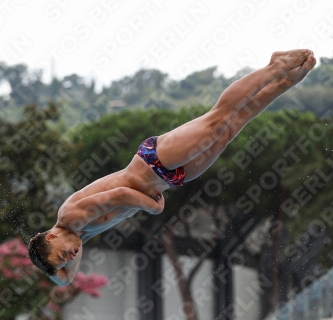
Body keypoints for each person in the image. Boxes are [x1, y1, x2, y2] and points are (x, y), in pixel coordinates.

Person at [28, 49, 316, 286]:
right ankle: (285, 83)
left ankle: (275, 67)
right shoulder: (80, 235)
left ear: (51, 236)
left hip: (154, 162)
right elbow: (64, 280)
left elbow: (116, 196)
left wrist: (151, 207)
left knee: (218, 120)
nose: (69, 257)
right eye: (66, 260)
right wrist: (59, 260)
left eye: (62, 254)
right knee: (232, 128)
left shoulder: (70, 217)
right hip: (170, 178)